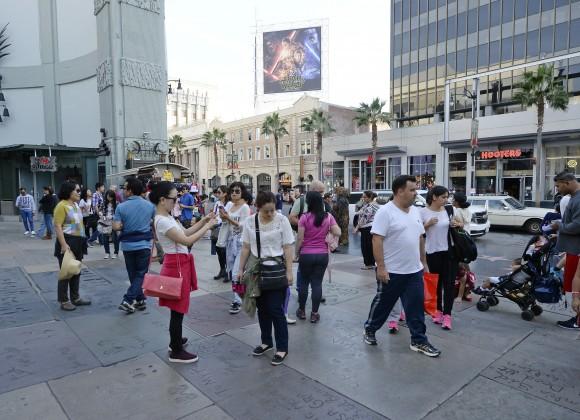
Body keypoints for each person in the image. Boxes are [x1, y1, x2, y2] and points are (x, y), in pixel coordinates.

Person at [363, 175, 440, 358]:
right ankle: (370, 329)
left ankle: (419, 340)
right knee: (383, 304)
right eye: (412, 190)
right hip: (392, 272)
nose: (416, 193)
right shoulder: (385, 212)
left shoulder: (414, 211)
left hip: (414, 271)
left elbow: (421, 237)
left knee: (415, 307)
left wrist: (424, 263)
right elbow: (377, 239)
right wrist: (381, 267)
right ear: (400, 191)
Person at [149, 181, 216, 363]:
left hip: (178, 263)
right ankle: (176, 351)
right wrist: (207, 228)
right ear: (162, 200)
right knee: (177, 309)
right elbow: (187, 241)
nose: (176, 201)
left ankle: (175, 341)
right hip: (175, 265)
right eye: (174, 198)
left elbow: (185, 233)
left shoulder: (168, 217)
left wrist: (203, 220)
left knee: (177, 309)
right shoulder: (162, 220)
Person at [237, 191, 294, 366]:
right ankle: (266, 342)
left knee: (276, 309)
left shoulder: (282, 220)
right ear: (258, 207)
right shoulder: (250, 221)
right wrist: (240, 269)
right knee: (262, 309)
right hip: (256, 272)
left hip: (276, 271)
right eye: (266, 211)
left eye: (273, 210)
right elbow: (246, 247)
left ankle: (282, 347)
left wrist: (290, 272)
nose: (270, 214)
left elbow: (287, 247)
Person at [295, 192, 341, 322]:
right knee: (317, 283)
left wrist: (296, 253)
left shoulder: (304, 217)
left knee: (303, 283)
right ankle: (314, 313)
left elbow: (300, 238)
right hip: (322, 255)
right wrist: (328, 233)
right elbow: (338, 231)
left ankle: (302, 311)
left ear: (309, 203)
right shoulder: (328, 216)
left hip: (306, 254)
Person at [113, 177, 156, 314]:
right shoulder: (149, 206)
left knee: (134, 274)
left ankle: (128, 299)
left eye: (125, 188)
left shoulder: (121, 206)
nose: (123, 190)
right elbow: (155, 223)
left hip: (127, 246)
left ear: (130, 190)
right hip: (144, 245)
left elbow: (116, 227)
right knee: (141, 274)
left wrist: (124, 225)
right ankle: (140, 299)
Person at [421, 186, 460, 330]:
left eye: (447, 197)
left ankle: (448, 315)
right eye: (443, 197)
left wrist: (457, 224)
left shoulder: (450, 210)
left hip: (449, 253)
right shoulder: (422, 212)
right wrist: (427, 224)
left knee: (449, 285)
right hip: (431, 252)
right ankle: (438, 311)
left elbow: (459, 225)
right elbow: (418, 232)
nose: (446, 200)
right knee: (436, 285)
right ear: (434, 197)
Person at [53, 181, 91, 311]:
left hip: (78, 242)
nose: (80, 193)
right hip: (67, 241)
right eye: (77, 190)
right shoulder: (61, 206)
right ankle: (64, 300)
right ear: (69, 191)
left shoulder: (75, 205)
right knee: (66, 272)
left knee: (76, 270)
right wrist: (64, 245)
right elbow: (57, 226)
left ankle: (75, 298)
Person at [550, 171, 580, 330]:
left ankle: (578, 320)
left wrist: (559, 226)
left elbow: (577, 226)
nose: (557, 189)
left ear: (567, 183)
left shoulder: (578, 199)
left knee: (577, 284)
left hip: (577, 250)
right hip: (573, 249)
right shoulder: (575, 198)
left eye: (558, 186)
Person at [220, 182, 251, 314]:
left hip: (241, 244)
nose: (234, 193)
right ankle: (240, 295)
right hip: (230, 242)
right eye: (232, 191)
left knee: (235, 273)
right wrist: (222, 216)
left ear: (242, 192)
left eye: (237, 191)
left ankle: (237, 301)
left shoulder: (245, 208)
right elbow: (224, 221)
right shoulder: (229, 205)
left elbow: (244, 226)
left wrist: (228, 218)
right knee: (232, 270)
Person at [353, 191, 379, 270]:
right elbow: (359, 212)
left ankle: (368, 264)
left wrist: (357, 227)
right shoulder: (371, 205)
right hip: (370, 228)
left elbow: (364, 218)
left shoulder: (370, 206)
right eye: (362, 197)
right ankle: (371, 263)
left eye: (364, 197)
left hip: (367, 228)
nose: (363, 198)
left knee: (366, 247)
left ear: (370, 197)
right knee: (370, 246)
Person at [212, 186, 229, 280]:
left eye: (219, 192)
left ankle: (227, 271)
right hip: (217, 228)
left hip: (227, 227)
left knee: (225, 251)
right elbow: (214, 214)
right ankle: (222, 270)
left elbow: (228, 216)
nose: (217, 194)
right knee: (218, 249)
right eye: (217, 192)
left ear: (225, 193)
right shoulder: (217, 203)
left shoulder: (229, 204)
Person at [99, 190, 120, 259]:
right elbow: (100, 211)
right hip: (105, 223)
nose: (109, 199)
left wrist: (113, 217)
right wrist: (102, 215)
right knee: (105, 238)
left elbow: (118, 213)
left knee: (115, 238)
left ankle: (116, 252)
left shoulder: (116, 203)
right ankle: (107, 252)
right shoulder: (103, 203)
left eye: (111, 197)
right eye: (108, 197)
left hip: (113, 223)